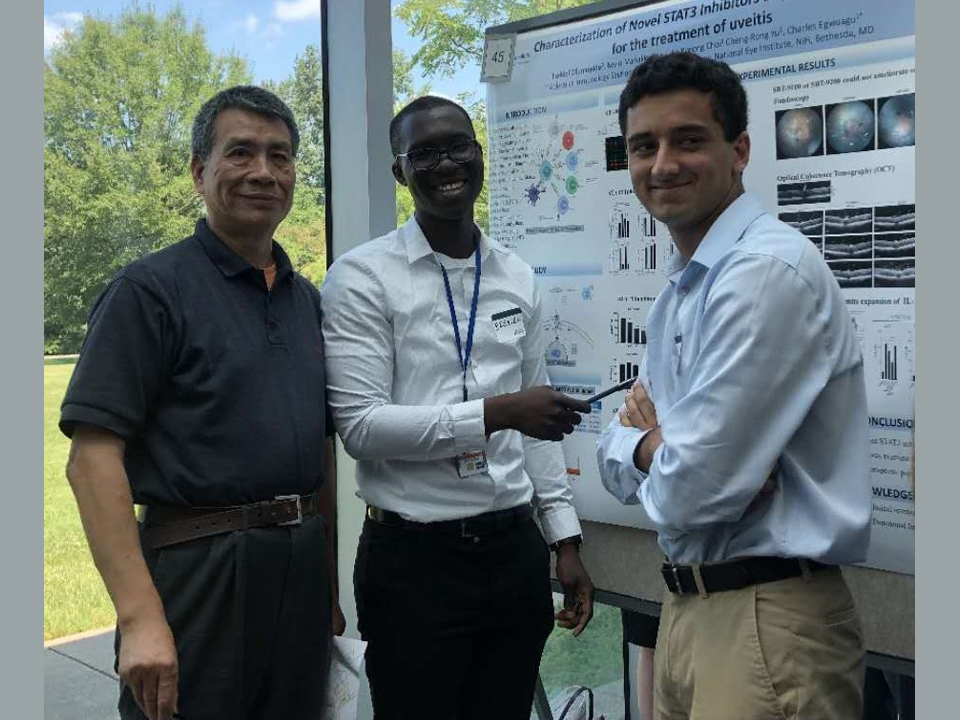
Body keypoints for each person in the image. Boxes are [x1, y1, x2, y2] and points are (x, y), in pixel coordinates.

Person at [596, 52, 872, 720]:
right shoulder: (687, 287)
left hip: (766, 620)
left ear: (740, 150)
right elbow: (617, 454)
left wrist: (659, 443)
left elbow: (695, 493)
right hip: (693, 611)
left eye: (688, 140)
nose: (662, 164)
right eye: (644, 145)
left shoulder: (765, 275)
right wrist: (648, 446)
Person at [60, 85, 342, 720]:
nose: (263, 172)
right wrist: (139, 618)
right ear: (198, 171)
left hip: (297, 580)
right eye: (240, 153)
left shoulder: (306, 302)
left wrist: (325, 588)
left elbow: (319, 452)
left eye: (280, 156)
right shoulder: (149, 291)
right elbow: (92, 460)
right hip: (197, 579)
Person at [321, 95, 595, 720]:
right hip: (415, 563)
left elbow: (540, 425)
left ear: (480, 155)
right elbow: (362, 428)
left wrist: (564, 538)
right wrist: (496, 413)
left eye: (458, 146)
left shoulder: (516, 276)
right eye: (425, 152)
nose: (446, 163)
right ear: (400, 172)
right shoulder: (363, 278)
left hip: (513, 553)